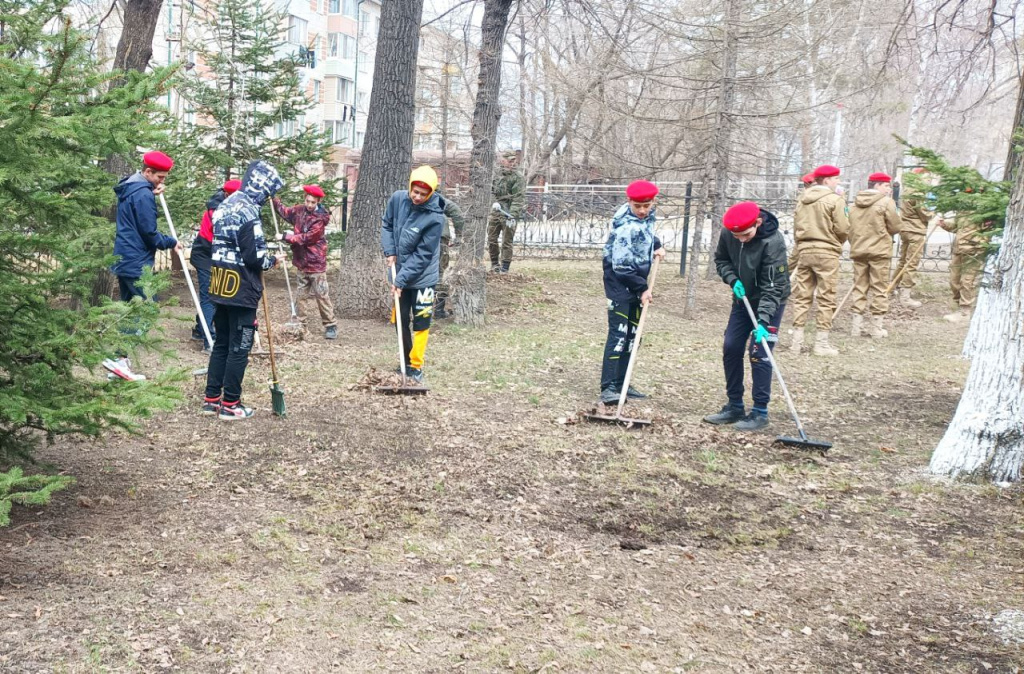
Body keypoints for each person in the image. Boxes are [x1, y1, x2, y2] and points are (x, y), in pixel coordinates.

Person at [202, 160, 283, 420]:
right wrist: (272, 260)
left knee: (222, 343)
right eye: (268, 192)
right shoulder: (249, 211)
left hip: (220, 283)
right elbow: (255, 257)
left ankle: (212, 398)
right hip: (241, 290)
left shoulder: (225, 204)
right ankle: (231, 404)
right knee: (241, 346)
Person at [703, 201, 790, 431]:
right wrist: (733, 279)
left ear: (758, 223)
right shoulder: (729, 232)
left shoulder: (773, 242)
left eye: (745, 235)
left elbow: (774, 287)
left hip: (771, 300)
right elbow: (721, 260)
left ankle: (760, 411)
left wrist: (763, 321)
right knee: (731, 346)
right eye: (736, 235)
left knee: (759, 352)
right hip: (743, 299)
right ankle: (734, 406)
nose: (740, 239)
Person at [104, 150, 182, 381]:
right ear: (148, 172)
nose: (162, 182)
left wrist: (152, 190)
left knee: (130, 309)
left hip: (125, 257)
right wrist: (172, 242)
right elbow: (149, 233)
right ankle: (118, 360)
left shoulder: (131, 188)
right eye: (160, 177)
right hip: (137, 260)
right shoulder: (143, 195)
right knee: (148, 308)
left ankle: (119, 363)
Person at [599, 180, 665, 404]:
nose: (643, 210)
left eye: (647, 205)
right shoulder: (627, 227)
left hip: (634, 284)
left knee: (632, 336)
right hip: (620, 286)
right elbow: (621, 267)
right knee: (619, 334)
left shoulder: (644, 218)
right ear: (629, 202)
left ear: (653, 202)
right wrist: (643, 289)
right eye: (638, 206)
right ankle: (608, 387)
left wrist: (656, 244)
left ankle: (622, 382)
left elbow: (645, 235)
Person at [381, 165, 446, 384]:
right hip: (400, 272)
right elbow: (387, 225)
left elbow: (423, 255)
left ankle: (415, 365)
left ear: (431, 193)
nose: (417, 197)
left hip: (423, 278)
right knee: (400, 318)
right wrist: (389, 251)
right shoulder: (398, 199)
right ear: (409, 186)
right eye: (414, 191)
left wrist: (400, 280)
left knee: (421, 321)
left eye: (423, 194)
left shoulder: (435, 218)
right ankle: (404, 359)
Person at [788, 164, 849, 357]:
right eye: (836, 178)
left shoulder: (802, 200)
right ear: (827, 180)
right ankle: (821, 344)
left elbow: (797, 225)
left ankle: (795, 343)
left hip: (805, 250)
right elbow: (843, 227)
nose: (838, 182)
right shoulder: (834, 200)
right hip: (826, 251)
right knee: (826, 296)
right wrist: (836, 241)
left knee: (802, 296)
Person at [272, 184, 337, 339]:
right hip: (301, 262)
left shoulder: (320, 219)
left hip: (316, 264)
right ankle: (301, 324)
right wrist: (273, 198)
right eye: (307, 201)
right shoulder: (299, 210)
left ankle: (330, 325)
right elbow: (284, 212)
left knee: (321, 294)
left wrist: (285, 237)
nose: (309, 205)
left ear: (318, 202)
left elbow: (307, 238)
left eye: (312, 202)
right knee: (301, 295)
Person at [848, 172, 901, 338]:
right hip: (879, 251)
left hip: (859, 250)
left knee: (859, 287)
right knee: (879, 287)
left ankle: (856, 327)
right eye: (886, 186)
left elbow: (848, 227)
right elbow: (895, 226)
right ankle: (876, 327)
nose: (889, 189)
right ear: (877, 185)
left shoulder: (854, 203)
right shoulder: (886, 203)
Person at [190, 179, 241, 350]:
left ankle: (199, 329)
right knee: (209, 298)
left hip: (216, 255)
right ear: (227, 195)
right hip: (205, 255)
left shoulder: (230, 206)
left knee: (215, 295)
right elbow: (219, 239)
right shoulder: (217, 211)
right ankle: (209, 341)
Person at [894, 167, 939, 309]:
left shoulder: (907, 190)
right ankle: (905, 296)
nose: (928, 181)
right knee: (911, 263)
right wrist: (935, 211)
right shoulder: (918, 193)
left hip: (905, 229)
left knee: (903, 261)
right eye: (926, 178)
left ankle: (893, 285)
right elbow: (925, 214)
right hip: (915, 231)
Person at [940, 213, 988, 323]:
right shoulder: (963, 207)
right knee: (954, 280)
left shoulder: (982, 208)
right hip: (959, 249)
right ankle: (959, 307)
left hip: (973, 251)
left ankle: (965, 312)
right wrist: (945, 225)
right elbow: (958, 227)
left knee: (967, 281)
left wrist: (978, 246)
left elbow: (987, 231)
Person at [487, 150, 526, 273]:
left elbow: (518, 198)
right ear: (502, 161)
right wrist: (494, 202)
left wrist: (512, 216)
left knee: (507, 240)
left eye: (513, 160)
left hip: (509, 210)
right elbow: (491, 190)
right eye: (509, 160)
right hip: (496, 209)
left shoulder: (518, 177)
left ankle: (505, 267)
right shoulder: (497, 174)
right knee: (491, 238)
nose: (512, 163)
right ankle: (494, 264)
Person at [434, 197, 465, 320]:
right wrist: (459, 236)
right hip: (440, 237)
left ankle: (420, 309)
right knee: (441, 273)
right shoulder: (438, 199)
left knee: (422, 272)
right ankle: (439, 309)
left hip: (418, 238)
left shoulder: (412, 196)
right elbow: (457, 214)